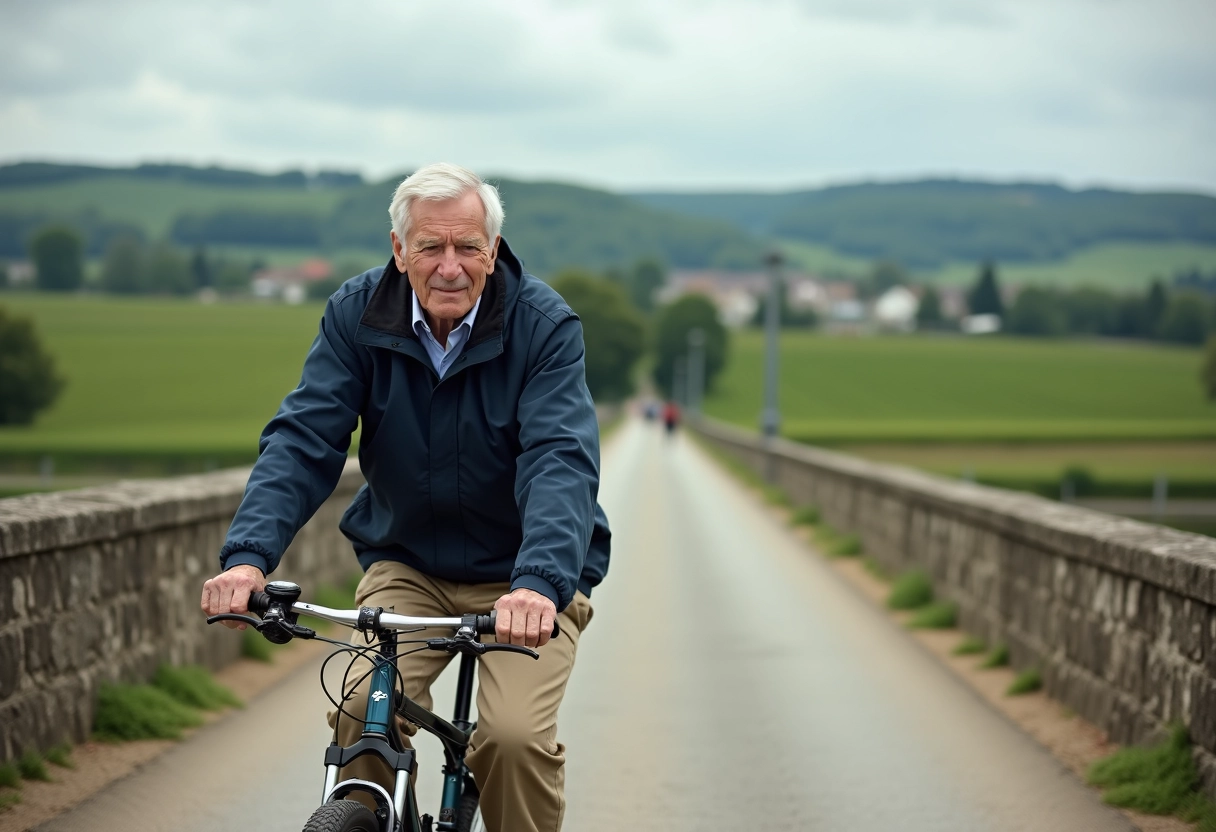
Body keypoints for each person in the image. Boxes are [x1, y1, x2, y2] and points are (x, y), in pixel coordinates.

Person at [200, 163, 610, 832]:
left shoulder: (543, 324)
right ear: (399, 250)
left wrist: (539, 582)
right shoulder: (356, 314)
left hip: (525, 577)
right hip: (409, 567)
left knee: (509, 739)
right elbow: (305, 438)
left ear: (493, 250)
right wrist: (248, 558)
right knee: (362, 709)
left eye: (468, 247)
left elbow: (559, 458)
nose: (450, 266)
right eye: (430, 247)